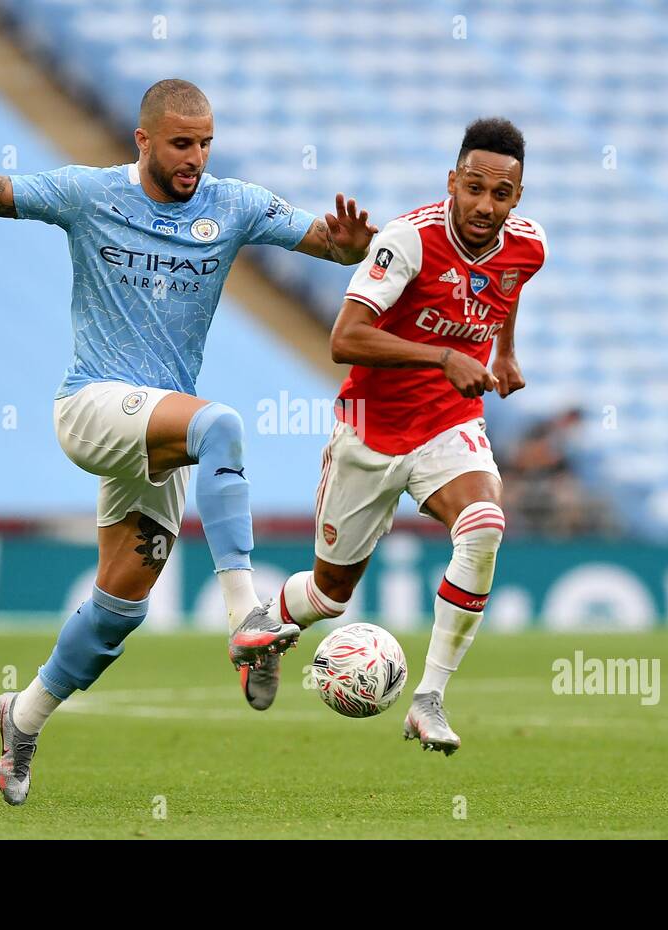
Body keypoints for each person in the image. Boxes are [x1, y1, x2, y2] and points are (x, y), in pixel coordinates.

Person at [0, 79, 378, 805]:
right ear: (145, 141)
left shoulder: (233, 205)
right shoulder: (89, 194)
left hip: (160, 431)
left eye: (205, 143)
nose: (196, 158)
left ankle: (22, 717)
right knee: (221, 423)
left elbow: (328, 239)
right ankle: (245, 616)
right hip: (93, 406)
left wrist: (347, 250)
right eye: (182, 144)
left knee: (120, 607)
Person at [272, 117, 547, 755]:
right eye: (473, 188)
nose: (485, 205)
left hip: (449, 424)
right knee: (328, 593)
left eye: (500, 195)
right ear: (453, 181)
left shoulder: (528, 246)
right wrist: (442, 357)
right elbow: (344, 339)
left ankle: (428, 700)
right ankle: (264, 629)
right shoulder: (409, 240)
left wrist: (504, 352)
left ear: (517, 198)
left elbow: (507, 288)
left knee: (484, 525)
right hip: (370, 431)